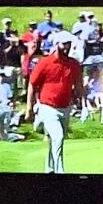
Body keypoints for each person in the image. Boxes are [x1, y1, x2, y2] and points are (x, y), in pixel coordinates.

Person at [26, 36, 85, 174]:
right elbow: (32, 84)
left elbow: (78, 85)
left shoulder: (73, 64)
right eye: (64, 44)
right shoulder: (45, 63)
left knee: (56, 140)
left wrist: (83, 103)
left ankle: (49, 169)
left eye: (69, 44)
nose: (67, 47)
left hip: (65, 107)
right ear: (57, 44)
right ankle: (60, 171)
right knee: (58, 137)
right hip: (48, 107)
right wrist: (29, 107)